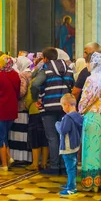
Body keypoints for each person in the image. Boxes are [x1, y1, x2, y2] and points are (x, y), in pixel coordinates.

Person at [33, 47, 75, 175]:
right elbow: (73, 85)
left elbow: (35, 84)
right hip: (65, 108)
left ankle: (55, 166)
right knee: (63, 136)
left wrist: (36, 98)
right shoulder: (68, 69)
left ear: (45, 58)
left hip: (49, 107)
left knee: (52, 137)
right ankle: (64, 166)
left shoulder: (46, 70)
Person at [78, 52, 101, 192]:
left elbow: (86, 98)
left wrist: (80, 109)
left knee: (91, 148)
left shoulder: (91, 79)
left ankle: (92, 183)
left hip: (92, 116)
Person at [0, 55, 20, 171]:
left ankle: (4, 164)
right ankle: (9, 157)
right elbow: (17, 92)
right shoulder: (16, 75)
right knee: (5, 135)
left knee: (0, 137)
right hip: (11, 110)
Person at [56, 93, 83, 196]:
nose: (63, 108)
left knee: (70, 167)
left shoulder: (67, 117)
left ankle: (71, 187)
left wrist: (57, 124)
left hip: (67, 146)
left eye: (62, 106)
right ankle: (70, 183)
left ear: (67, 105)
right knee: (73, 166)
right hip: (75, 145)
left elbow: (63, 130)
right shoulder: (78, 116)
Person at [9, 56, 33, 163]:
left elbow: (21, 92)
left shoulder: (22, 75)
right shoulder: (32, 73)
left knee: (20, 133)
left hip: (21, 107)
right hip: (28, 107)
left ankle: (20, 157)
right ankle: (27, 157)